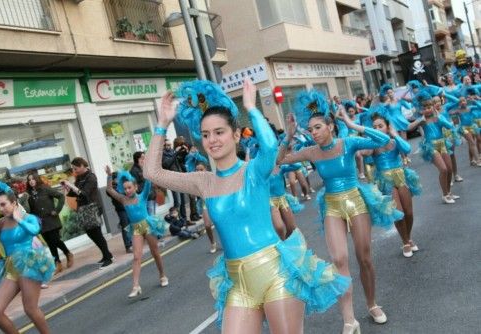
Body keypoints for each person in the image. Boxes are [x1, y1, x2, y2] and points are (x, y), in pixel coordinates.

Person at [144, 79, 350, 333]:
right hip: (238, 283)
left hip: (277, 275)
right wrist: (163, 124)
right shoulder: (203, 182)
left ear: (236, 134)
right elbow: (152, 172)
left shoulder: (253, 171)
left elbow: (272, 147)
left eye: (219, 132)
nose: (212, 140)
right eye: (206, 134)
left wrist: (251, 107)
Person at [278, 89, 403, 333]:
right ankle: (349, 320)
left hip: (356, 200)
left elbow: (384, 140)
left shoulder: (348, 143)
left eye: (318, 127)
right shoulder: (311, 152)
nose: (314, 133)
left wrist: (352, 123)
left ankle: (372, 304)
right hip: (332, 204)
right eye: (311, 129)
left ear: (331, 126)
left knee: (364, 258)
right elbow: (279, 161)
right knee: (338, 260)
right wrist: (288, 135)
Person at [0, 181, 54, 334]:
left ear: (14, 202)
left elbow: (34, 230)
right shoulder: (1, 223)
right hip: (11, 267)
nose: (1, 209)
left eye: (3, 204)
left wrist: (18, 219)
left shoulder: (29, 218)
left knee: (30, 309)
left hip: (29, 264)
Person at [105, 168, 168, 298]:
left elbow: (148, 182)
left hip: (148, 226)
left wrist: (147, 168)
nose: (127, 191)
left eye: (129, 188)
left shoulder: (142, 196)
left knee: (155, 253)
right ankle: (135, 286)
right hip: (136, 229)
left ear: (135, 187)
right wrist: (109, 176)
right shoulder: (123, 199)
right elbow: (110, 190)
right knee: (136, 257)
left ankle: (162, 275)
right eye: (125, 189)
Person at [370, 114, 422, 257]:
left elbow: (406, 149)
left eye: (380, 126)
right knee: (398, 213)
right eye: (374, 127)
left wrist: (394, 134)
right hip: (385, 180)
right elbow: (366, 156)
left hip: (400, 176)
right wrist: (370, 140)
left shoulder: (393, 141)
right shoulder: (372, 144)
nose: (377, 129)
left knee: (409, 212)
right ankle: (405, 242)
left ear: (387, 128)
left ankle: (408, 237)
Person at [407, 92, 459, 203]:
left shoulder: (438, 118)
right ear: (421, 109)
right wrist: (418, 121)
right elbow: (409, 127)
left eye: (429, 107)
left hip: (442, 144)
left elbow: (449, 126)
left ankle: (449, 193)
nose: (427, 110)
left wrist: (440, 117)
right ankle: (444, 195)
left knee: (449, 169)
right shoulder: (422, 120)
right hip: (431, 146)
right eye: (424, 108)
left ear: (433, 107)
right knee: (443, 169)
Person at [62, 157, 114, 269]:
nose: (74, 170)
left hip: (92, 207)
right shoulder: (79, 178)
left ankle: (108, 257)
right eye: (73, 168)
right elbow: (76, 194)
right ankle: (107, 254)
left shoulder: (91, 177)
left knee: (97, 233)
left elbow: (84, 194)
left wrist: (72, 186)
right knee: (90, 233)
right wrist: (67, 188)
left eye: (75, 168)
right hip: (83, 209)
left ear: (82, 165)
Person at [26, 172, 73, 273]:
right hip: (41, 223)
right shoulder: (30, 195)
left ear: (37, 179)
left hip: (51, 219)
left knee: (55, 240)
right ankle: (57, 263)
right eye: (29, 180)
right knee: (50, 243)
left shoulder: (45, 188)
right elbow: (32, 210)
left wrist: (57, 210)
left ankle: (68, 253)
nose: (31, 181)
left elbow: (60, 196)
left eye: (33, 179)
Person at [106, 172, 132, 253]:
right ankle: (128, 246)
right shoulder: (112, 188)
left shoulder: (123, 185)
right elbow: (109, 191)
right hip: (121, 210)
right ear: (114, 179)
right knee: (125, 227)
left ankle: (133, 242)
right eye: (118, 178)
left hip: (129, 208)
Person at [194, 162, 217, 253]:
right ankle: (213, 243)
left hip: (216, 202)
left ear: (205, 169)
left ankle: (227, 242)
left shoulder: (212, 177)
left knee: (221, 224)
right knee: (207, 225)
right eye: (197, 170)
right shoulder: (195, 181)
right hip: (205, 204)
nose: (199, 171)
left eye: (201, 169)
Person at [130, 151, 156, 216]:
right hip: (145, 198)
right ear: (137, 159)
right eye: (142, 158)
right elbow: (134, 186)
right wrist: (143, 194)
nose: (144, 159)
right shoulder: (134, 171)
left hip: (151, 196)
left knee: (153, 216)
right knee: (150, 217)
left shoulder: (144, 168)